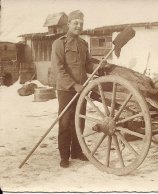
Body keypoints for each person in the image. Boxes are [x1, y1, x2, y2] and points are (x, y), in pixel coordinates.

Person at [51, 10, 97, 168]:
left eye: (81, 23)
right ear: (68, 24)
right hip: (66, 89)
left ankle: (77, 151)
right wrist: (73, 85)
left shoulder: (83, 44)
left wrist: (98, 66)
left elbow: (87, 65)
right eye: (76, 23)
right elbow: (58, 69)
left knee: (80, 120)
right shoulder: (59, 43)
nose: (79, 26)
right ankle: (64, 156)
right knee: (65, 122)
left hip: (82, 88)